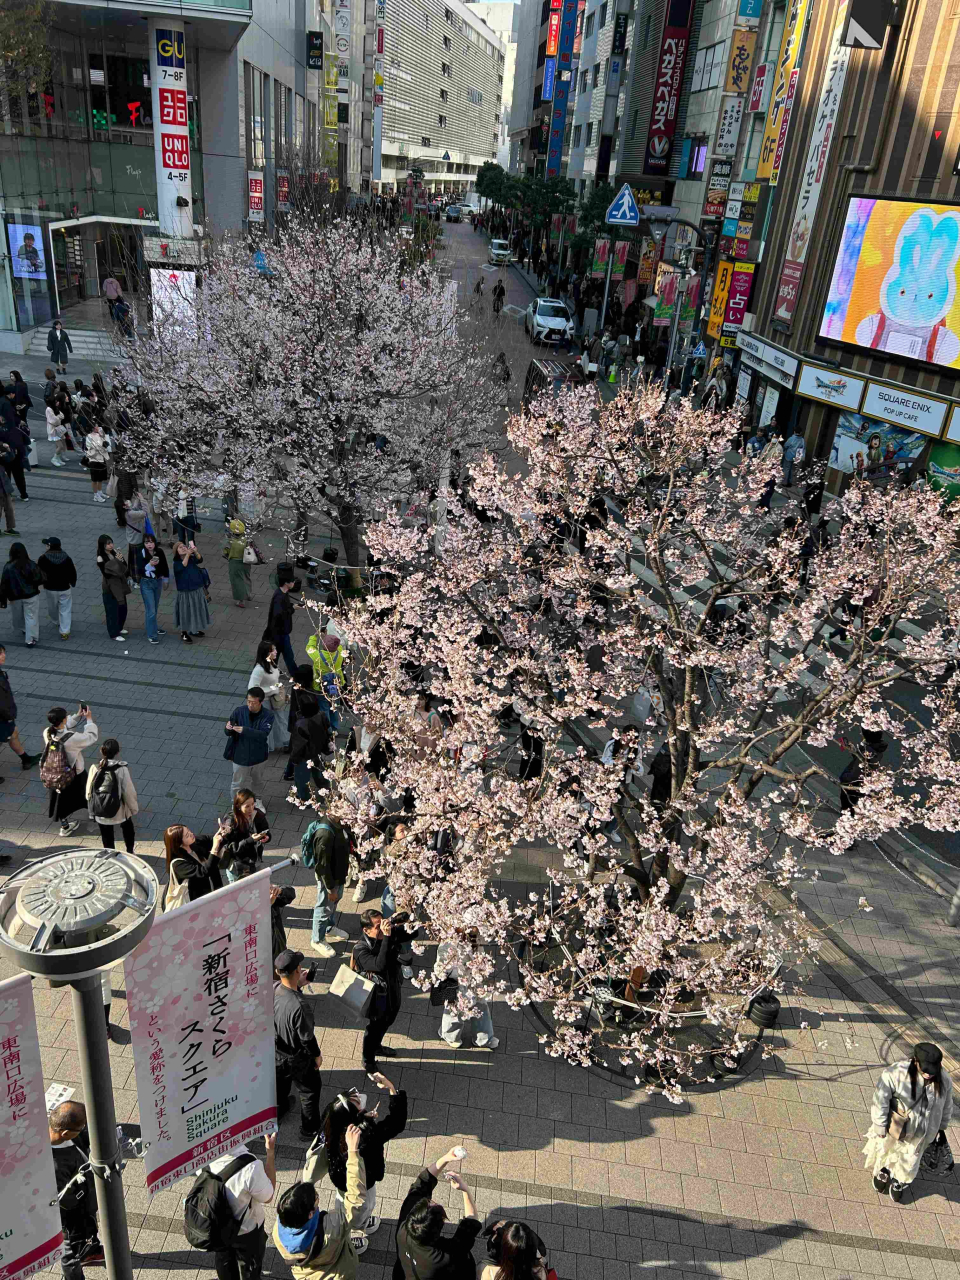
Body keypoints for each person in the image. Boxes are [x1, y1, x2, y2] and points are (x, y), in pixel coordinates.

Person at [313, 1075, 407, 1237]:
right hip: (362, 1182)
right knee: (363, 1206)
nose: (363, 1105)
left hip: (340, 1181)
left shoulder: (330, 1122)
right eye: (360, 1107)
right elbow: (396, 1123)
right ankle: (356, 1230)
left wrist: (363, 1119)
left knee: (343, 1202)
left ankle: (355, 1223)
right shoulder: (365, 1137)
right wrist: (392, 1088)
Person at [865, 1042, 954, 1202]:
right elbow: (880, 1099)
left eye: (932, 1071)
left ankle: (900, 1181)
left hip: (923, 1132)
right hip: (897, 1126)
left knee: (911, 1158)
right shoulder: (896, 1073)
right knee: (888, 1150)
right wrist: (879, 1123)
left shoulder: (944, 1079)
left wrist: (942, 1126)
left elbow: (947, 1105)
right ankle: (884, 1171)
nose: (928, 1074)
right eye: (925, 1070)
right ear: (915, 1061)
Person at [274, 1127, 370, 1274]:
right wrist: (353, 1152)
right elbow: (355, 1203)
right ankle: (348, 1244)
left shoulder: (278, 1231)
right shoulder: (332, 1229)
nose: (317, 1197)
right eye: (316, 1198)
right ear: (311, 1214)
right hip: (338, 1272)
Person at [394, 1148, 481, 1280]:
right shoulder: (445, 1257)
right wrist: (465, 1190)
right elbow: (471, 1224)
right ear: (440, 1226)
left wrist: (446, 1158)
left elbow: (421, 1183)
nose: (431, 1200)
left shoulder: (403, 1228)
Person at [202, 1132, 277, 1280]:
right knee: (250, 1269)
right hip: (246, 1231)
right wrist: (270, 1154)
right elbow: (268, 1196)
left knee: (224, 1260)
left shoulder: (203, 1156)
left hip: (217, 1227)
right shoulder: (250, 1166)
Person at [50, 1101, 104, 1280]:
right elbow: (66, 1200)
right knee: (68, 1251)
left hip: (85, 1197)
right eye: (81, 1128)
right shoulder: (54, 1165)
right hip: (70, 1216)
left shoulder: (65, 1131)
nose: (83, 1129)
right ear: (65, 1133)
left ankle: (90, 1250)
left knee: (88, 1226)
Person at [273, 949, 325, 1139]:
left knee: (279, 1084)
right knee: (310, 1090)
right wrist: (317, 1056)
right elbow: (306, 1039)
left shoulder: (273, 988)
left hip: (276, 1053)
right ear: (297, 970)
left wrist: (299, 985)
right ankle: (309, 1130)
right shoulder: (300, 1006)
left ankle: (278, 1112)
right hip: (297, 1058)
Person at [353, 908, 407, 1076]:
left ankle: (377, 1046)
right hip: (376, 996)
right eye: (378, 926)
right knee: (375, 1027)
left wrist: (405, 918)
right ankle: (368, 1059)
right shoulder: (360, 950)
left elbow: (413, 933)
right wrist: (387, 937)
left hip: (392, 988)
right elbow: (379, 965)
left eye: (383, 922)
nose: (383, 927)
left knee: (389, 1019)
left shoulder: (387, 932)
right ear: (366, 930)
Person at [43, 703, 99, 837]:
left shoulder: (47, 732)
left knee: (60, 801)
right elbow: (90, 736)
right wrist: (89, 719)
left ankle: (65, 826)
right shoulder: (72, 739)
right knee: (87, 792)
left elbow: (63, 729)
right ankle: (93, 813)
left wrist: (77, 715)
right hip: (75, 773)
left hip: (56, 774)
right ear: (63, 720)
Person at [437, 933, 499, 1050]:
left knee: (480, 1007)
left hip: (474, 978)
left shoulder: (476, 935)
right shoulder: (449, 939)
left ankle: (482, 1038)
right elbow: (441, 963)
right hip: (456, 981)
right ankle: (450, 1035)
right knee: (454, 1009)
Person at [302, 813, 351, 958]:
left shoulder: (338, 822)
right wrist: (330, 889)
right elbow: (322, 867)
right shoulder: (325, 834)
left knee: (333, 903)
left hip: (338, 874)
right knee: (324, 907)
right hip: (329, 880)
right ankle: (317, 939)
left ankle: (328, 927)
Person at [0, 643, 39, 786]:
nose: (4, 655)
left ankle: (25, 759)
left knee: (13, 734)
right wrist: (9, 717)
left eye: (3, 652)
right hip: (3, 718)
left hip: (5, 717)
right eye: (0, 653)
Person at [225, 690, 274, 798]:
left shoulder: (268, 715)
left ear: (260, 702)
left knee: (258, 782)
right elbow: (228, 732)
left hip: (259, 757)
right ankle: (235, 804)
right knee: (237, 784)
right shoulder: (239, 711)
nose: (250, 705)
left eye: (253, 702)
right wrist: (228, 728)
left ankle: (258, 800)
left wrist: (244, 730)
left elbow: (263, 734)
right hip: (240, 756)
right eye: (248, 701)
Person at [162, 824, 225, 908]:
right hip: (198, 901)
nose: (191, 834)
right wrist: (214, 849)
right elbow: (204, 872)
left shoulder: (194, 842)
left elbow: (211, 840)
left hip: (214, 890)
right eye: (187, 835)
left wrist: (223, 833)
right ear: (179, 844)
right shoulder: (178, 865)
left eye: (189, 831)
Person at [220, 787, 271, 881]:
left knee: (256, 886)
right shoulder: (231, 821)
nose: (251, 808)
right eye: (247, 806)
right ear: (238, 806)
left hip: (254, 860)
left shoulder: (258, 814)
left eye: (253, 804)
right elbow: (233, 848)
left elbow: (266, 830)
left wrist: (266, 837)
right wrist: (251, 840)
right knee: (237, 892)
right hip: (237, 865)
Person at [290, 693, 332, 801]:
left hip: (304, 755)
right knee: (319, 772)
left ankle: (304, 798)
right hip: (317, 750)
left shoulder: (300, 724)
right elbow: (328, 729)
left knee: (302, 778)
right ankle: (326, 790)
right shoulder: (321, 714)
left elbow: (298, 745)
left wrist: (294, 759)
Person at [249, 640, 289, 752]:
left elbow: (272, 681)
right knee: (267, 723)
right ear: (267, 653)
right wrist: (272, 690)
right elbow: (253, 689)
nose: (276, 652)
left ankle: (285, 743)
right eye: (273, 650)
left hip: (274, 698)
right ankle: (264, 746)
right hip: (265, 701)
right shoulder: (259, 670)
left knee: (280, 720)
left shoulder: (272, 663)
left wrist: (278, 687)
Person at [0, 540, 42, 645]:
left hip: (15, 596)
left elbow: (4, 583)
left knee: (17, 616)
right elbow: (39, 578)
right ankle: (31, 639)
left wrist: (3, 598)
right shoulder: (30, 564)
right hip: (31, 595)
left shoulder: (8, 567)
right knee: (31, 616)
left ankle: (23, 628)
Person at [307, 625, 346, 732]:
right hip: (335, 684)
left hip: (321, 686)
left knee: (324, 708)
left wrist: (315, 637)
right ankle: (335, 728)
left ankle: (328, 730)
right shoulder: (341, 653)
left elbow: (309, 648)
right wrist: (327, 637)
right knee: (334, 705)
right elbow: (336, 644)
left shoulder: (318, 656)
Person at [39, 535, 77, 640]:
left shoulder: (43, 558)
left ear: (49, 546)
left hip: (50, 588)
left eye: (46, 545)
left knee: (52, 607)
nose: (45, 547)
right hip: (64, 587)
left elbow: (39, 573)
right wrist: (72, 582)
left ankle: (56, 620)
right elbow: (72, 572)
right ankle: (64, 631)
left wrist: (41, 583)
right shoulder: (66, 557)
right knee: (65, 609)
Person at [266, 571, 303, 676]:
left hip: (280, 631)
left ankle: (273, 671)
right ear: (287, 583)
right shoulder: (279, 596)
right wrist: (292, 608)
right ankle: (295, 674)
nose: (294, 583)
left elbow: (284, 607)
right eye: (292, 581)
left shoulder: (283, 593)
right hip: (279, 632)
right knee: (287, 655)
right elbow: (279, 614)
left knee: (282, 655)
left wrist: (293, 605)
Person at [172, 540, 210, 642]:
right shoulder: (176, 563)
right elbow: (183, 565)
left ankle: (194, 629)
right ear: (176, 552)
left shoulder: (192, 558)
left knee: (196, 610)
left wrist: (196, 552)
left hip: (196, 589)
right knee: (185, 612)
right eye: (180, 547)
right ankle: (183, 632)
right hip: (185, 592)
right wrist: (188, 554)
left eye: (184, 546)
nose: (183, 547)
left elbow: (200, 559)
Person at [135, 533, 168, 644]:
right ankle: (152, 635)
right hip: (146, 583)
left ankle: (153, 627)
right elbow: (140, 570)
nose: (149, 544)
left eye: (151, 542)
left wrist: (165, 579)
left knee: (155, 607)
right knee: (151, 610)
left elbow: (164, 565)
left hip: (157, 582)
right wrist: (149, 564)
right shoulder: (141, 553)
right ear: (144, 544)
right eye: (146, 542)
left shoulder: (159, 552)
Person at [95, 534, 130, 640]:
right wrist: (117, 562)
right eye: (107, 544)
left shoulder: (115, 552)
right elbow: (107, 574)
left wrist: (121, 559)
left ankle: (119, 627)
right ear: (103, 545)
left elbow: (124, 566)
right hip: (110, 586)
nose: (110, 546)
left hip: (120, 584)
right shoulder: (100, 558)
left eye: (111, 543)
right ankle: (114, 633)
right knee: (112, 610)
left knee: (123, 607)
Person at [120, 490, 148, 581]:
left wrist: (137, 499)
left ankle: (134, 576)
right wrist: (142, 499)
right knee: (138, 561)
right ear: (124, 506)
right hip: (137, 540)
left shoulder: (125, 512)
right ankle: (138, 579)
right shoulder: (130, 514)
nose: (128, 501)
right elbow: (145, 512)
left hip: (132, 540)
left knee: (133, 561)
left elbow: (134, 508)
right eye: (126, 501)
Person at [225, 517, 252, 607]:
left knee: (237, 581)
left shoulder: (230, 540)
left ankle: (241, 601)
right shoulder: (247, 539)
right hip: (246, 561)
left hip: (235, 563)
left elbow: (225, 552)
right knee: (246, 578)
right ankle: (248, 594)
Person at [84, 421, 111, 502]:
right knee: (95, 479)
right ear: (92, 428)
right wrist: (101, 446)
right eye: (96, 426)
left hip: (102, 459)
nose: (98, 427)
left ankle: (100, 492)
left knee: (100, 478)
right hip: (94, 460)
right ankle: (95, 495)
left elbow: (105, 443)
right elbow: (92, 447)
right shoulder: (89, 436)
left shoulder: (99, 434)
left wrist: (103, 437)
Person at [46, 395, 69, 467]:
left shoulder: (55, 408)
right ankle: (54, 458)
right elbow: (53, 420)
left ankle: (58, 458)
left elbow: (62, 416)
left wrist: (58, 418)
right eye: (55, 401)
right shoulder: (49, 409)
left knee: (59, 445)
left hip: (58, 429)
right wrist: (58, 418)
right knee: (60, 446)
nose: (57, 402)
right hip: (53, 429)